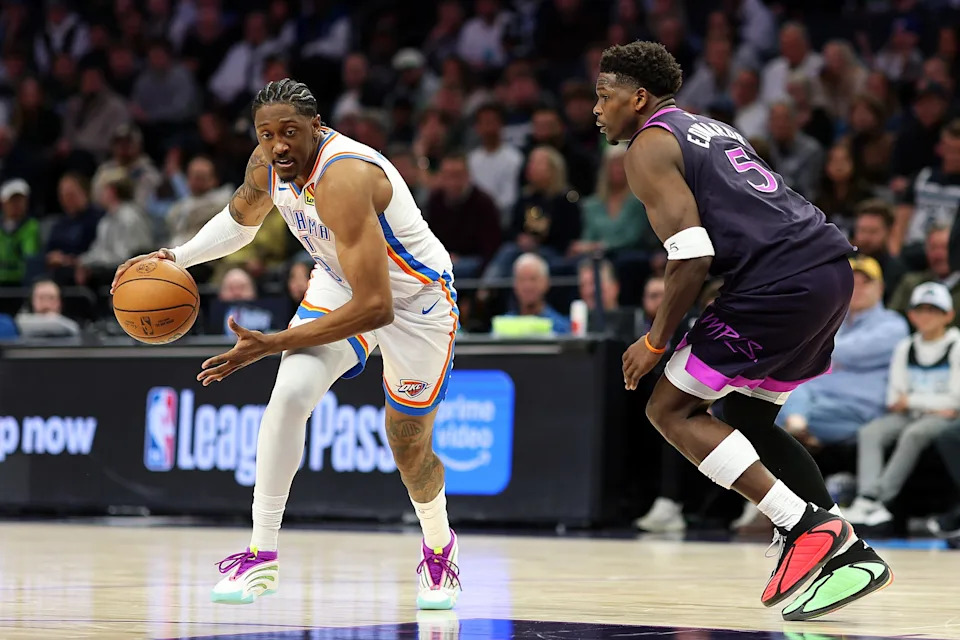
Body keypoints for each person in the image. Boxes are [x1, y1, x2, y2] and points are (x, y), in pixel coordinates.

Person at [111, 79, 461, 610]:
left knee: (407, 444)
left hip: (415, 302)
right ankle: (261, 555)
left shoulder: (345, 177)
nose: (277, 145)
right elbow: (242, 222)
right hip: (340, 280)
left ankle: (439, 547)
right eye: (266, 134)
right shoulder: (266, 163)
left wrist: (273, 341)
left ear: (317, 129)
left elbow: (376, 308)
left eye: (290, 132)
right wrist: (173, 260)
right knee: (290, 396)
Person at [594, 41, 891, 621]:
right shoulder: (712, 129)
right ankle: (848, 555)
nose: (597, 110)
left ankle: (804, 525)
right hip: (828, 272)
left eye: (604, 97)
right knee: (751, 420)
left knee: (669, 409)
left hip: (778, 282)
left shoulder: (649, 146)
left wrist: (656, 340)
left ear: (639, 97)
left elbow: (691, 257)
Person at [845, 282, 960, 529]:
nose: (926, 316)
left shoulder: (956, 344)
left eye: (934, 310)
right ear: (911, 314)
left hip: (942, 419)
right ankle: (865, 497)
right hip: (914, 413)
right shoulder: (905, 347)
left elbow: (955, 400)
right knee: (871, 431)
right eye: (921, 309)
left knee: (914, 434)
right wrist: (929, 403)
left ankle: (879, 499)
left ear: (948, 315)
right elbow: (893, 399)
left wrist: (913, 400)